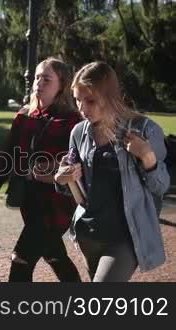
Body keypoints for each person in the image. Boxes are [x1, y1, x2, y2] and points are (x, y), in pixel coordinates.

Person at [55, 61, 169, 281]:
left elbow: (161, 186)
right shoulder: (78, 132)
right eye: (78, 100)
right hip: (89, 233)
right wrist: (63, 179)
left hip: (126, 238)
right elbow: (74, 189)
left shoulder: (145, 130)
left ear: (109, 97)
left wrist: (147, 156)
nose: (82, 109)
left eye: (90, 100)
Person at [0, 57, 82, 282]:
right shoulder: (25, 115)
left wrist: (55, 166)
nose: (39, 82)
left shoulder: (71, 121)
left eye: (47, 79)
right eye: (37, 77)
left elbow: (81, 162)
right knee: (55, 256)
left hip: (57, 206)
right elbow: (6, 156)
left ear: (62, 85)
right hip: (30, 202)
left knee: (20, 260)